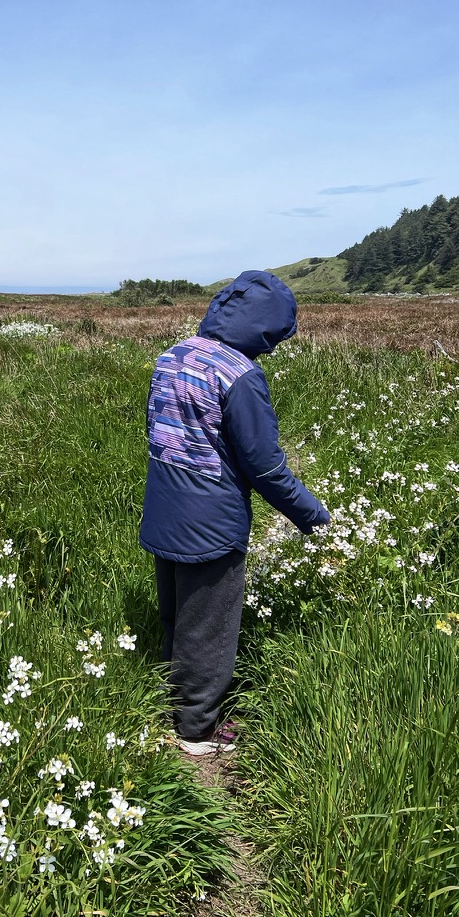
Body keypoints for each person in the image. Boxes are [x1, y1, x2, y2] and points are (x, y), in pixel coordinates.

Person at [139, 270, 329, 756]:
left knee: (176, 617)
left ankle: (168, 704)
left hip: (163, 509)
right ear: (264, 328)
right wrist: (312, 515)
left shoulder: (173, 355)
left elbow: (158, 432)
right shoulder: (240, 375)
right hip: (212, 523)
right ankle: (196, 733)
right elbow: (265, 467)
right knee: (209, 631)